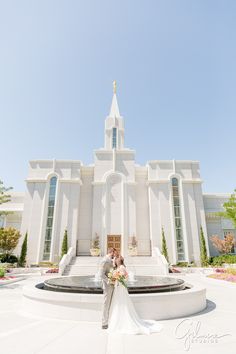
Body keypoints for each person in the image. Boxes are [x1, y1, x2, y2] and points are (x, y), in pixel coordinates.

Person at [108, 256, 163, 335]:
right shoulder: (119, 267)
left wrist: (119, 278)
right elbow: (123, 276)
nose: (115, 261)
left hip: (121, 288)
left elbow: (125, 277)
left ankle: (122, 321)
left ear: (118, 261)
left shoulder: (122, 267)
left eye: (116, 260)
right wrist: (114, 278)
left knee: (122, 303)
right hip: (118, 287)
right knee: (118, 303)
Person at [100, 247, 116, 329]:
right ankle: (104, 323)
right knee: (106, 304)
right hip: (107, 286)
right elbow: (101, 274)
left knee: (110, 304)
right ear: (111, 252)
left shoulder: (110, 260)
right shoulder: (105, 260)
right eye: (114, 253)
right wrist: (109, 281)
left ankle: (109, 321)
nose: (114, 255)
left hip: (112, 285)